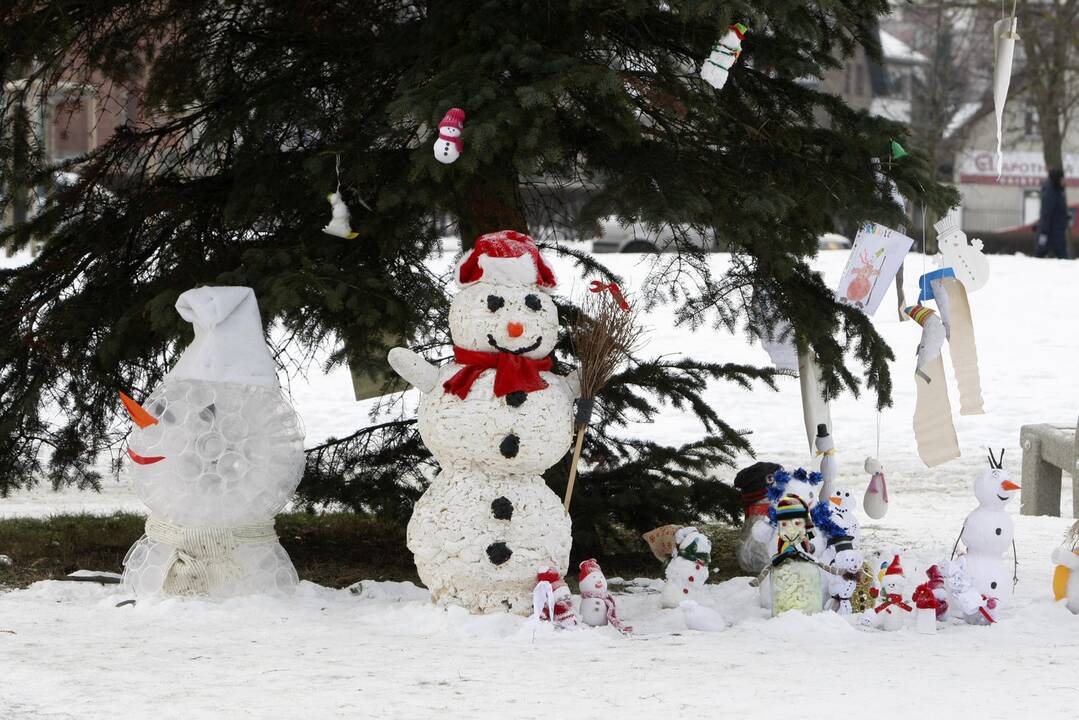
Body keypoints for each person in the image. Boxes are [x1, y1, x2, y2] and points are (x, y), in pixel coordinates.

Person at [1036, 168, 1069, 258]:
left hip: (1057, 230)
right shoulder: (1050, 193)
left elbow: (1058, 209)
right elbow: (1046, 213)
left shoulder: (1058, 190)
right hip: (1052, 232)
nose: (1064, 181)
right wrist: (1044, 232)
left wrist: (1065, 217)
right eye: (1062, 179)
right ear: (1057, 179)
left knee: (1059, 254)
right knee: (1042, 253)